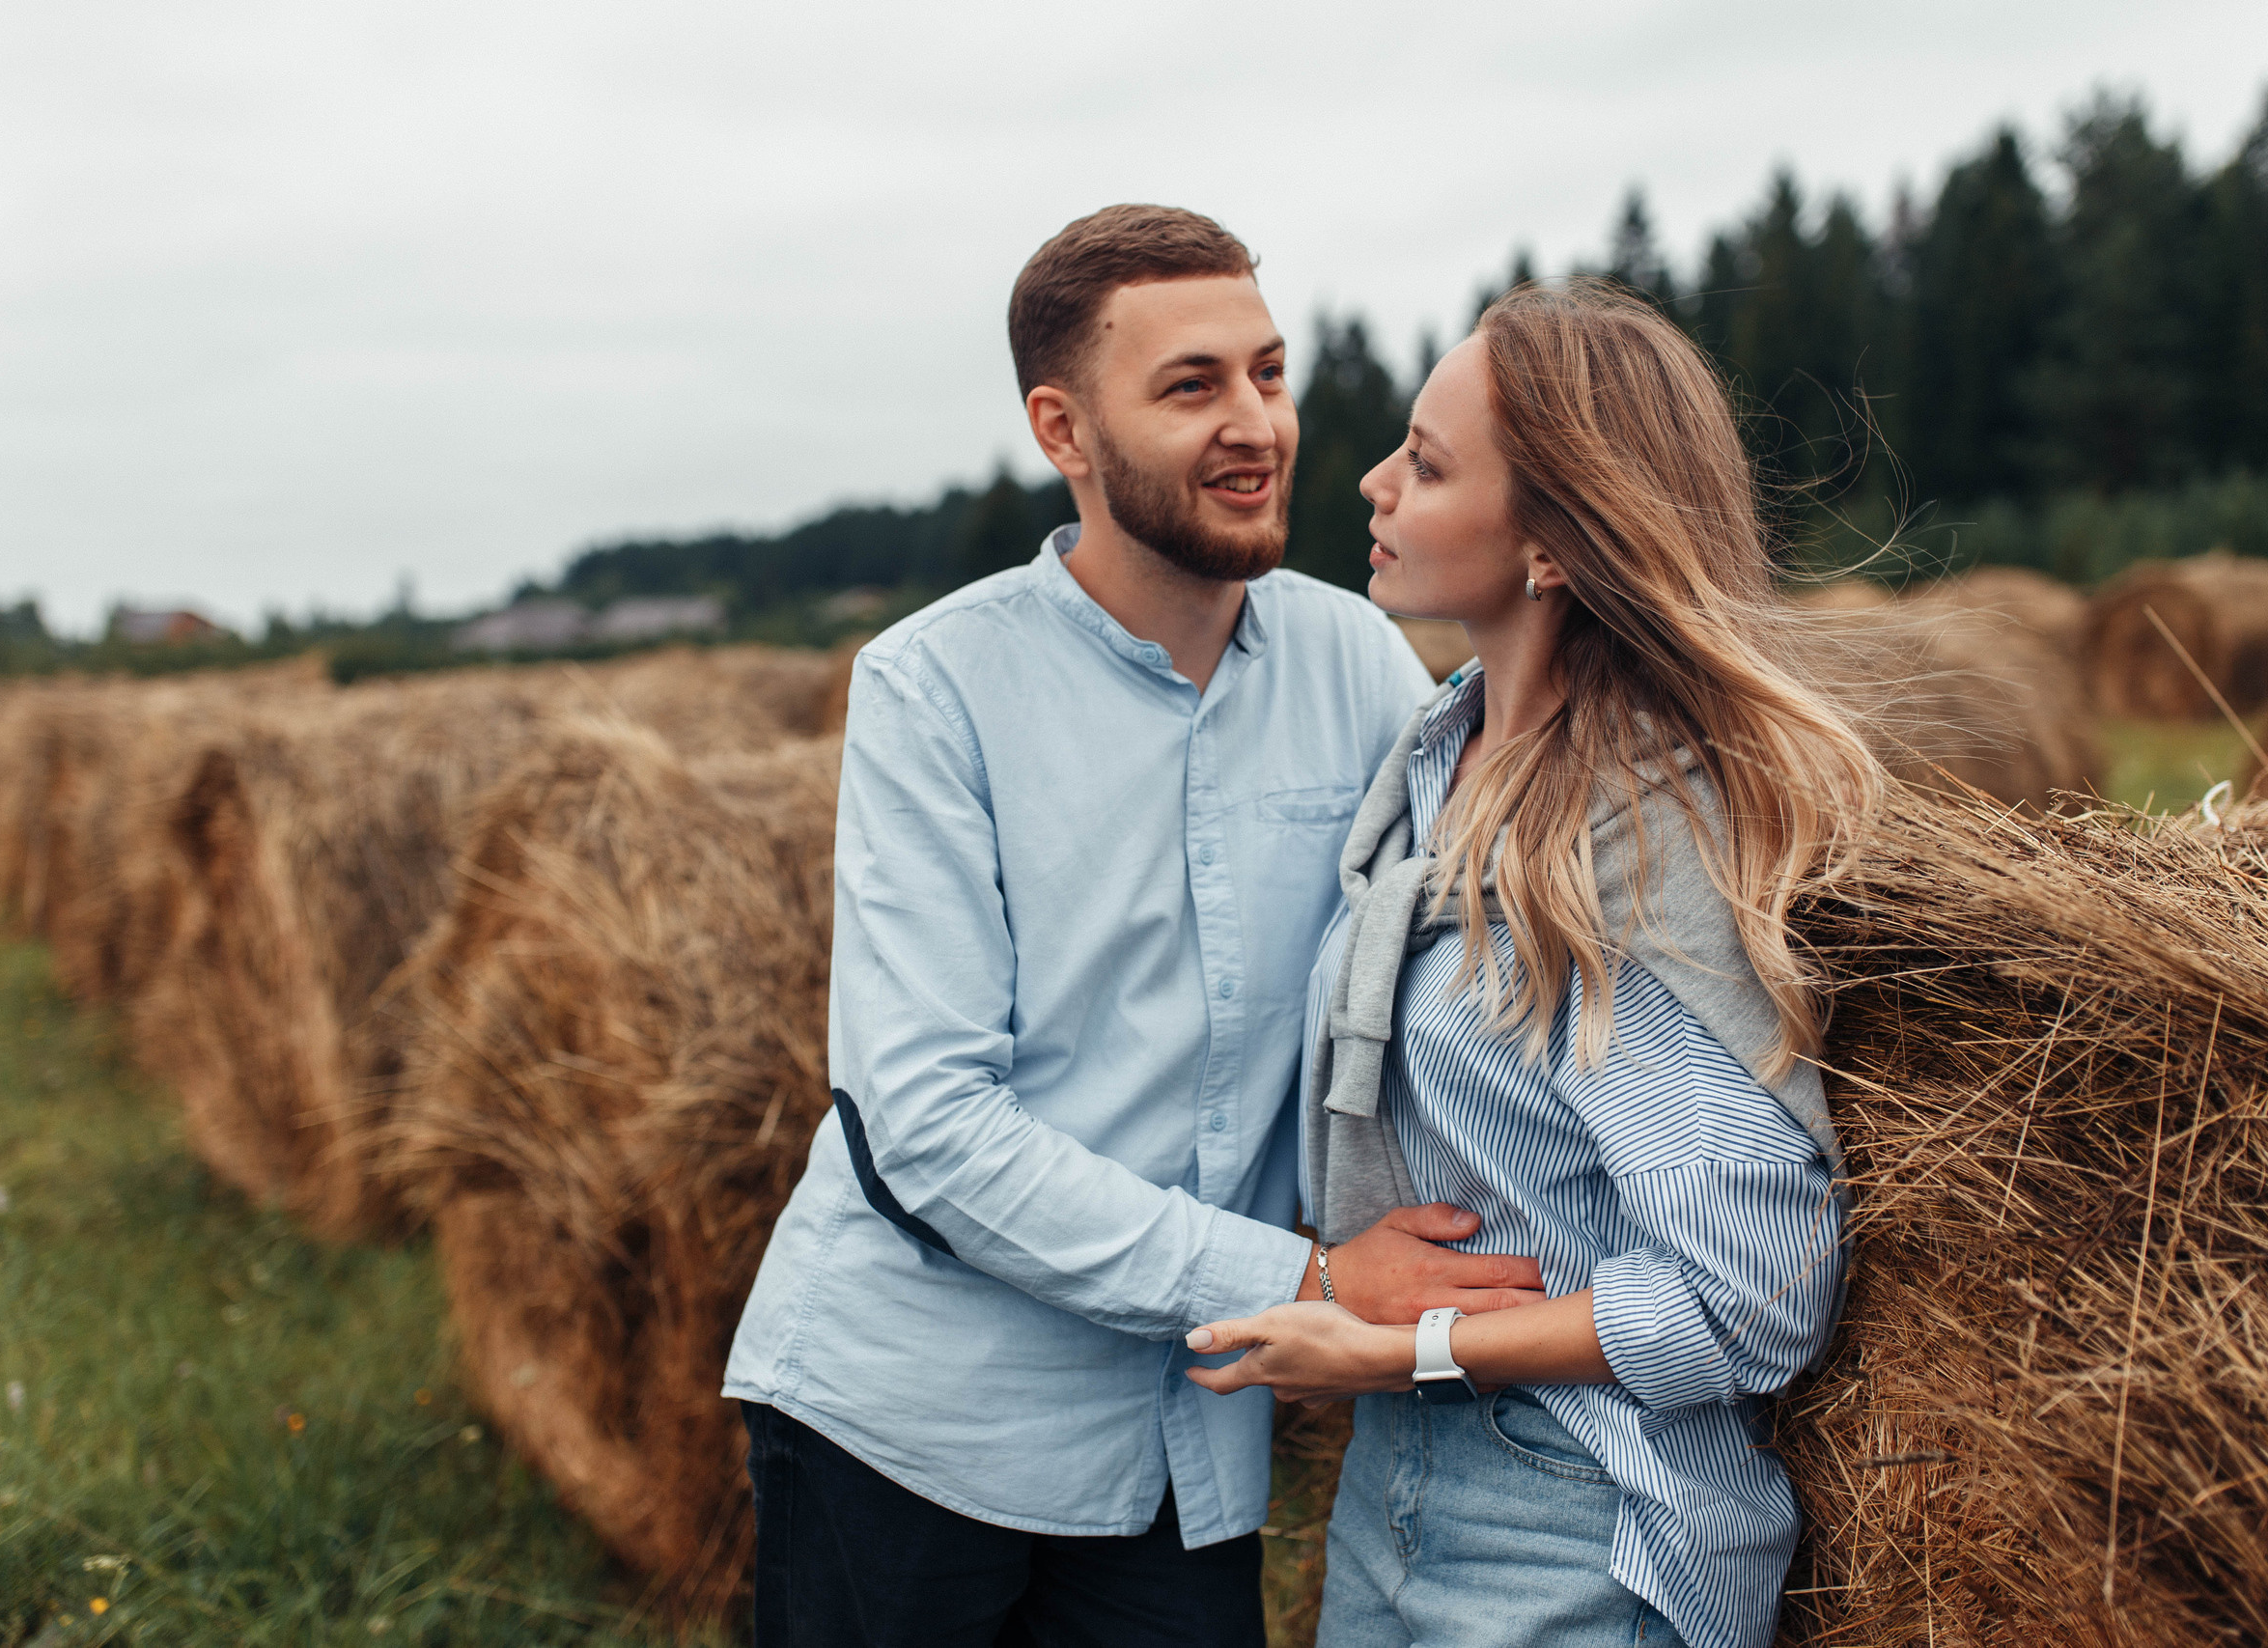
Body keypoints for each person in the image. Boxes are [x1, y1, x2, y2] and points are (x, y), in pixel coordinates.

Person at [722, 204, 1549, 1648]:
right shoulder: (933, 690)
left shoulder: (1359, 662)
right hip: (913, 1423)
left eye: (1269, 375)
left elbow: (1484, 919)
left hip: (1185, 1445)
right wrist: (1305, 1278)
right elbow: (923, 1120)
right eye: (1191, 387)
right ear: (1064, 430)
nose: (1256, 425)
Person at [1184, 278, 1886, 1648]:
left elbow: (1756, 1289)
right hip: (1402, 1475)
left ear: (1556, 546)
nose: (1375, 483)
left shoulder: (1634, 838)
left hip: (1578, 1515)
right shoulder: (1436, 761)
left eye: (1430, 466)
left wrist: (1401, 1348)